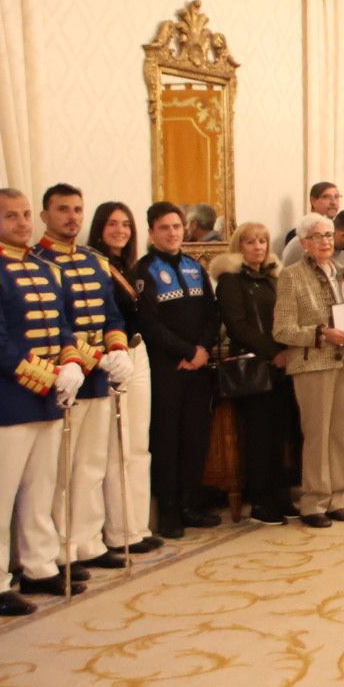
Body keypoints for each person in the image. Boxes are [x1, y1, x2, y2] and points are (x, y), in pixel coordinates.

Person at [0, 189, 88, 615]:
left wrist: (71, 363)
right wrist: (50, 377)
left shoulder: (45, 268)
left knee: (41, 486)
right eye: (11, 216)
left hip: (50, 397)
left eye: (26, 214)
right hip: (9, 396)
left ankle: (38, 564)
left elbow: (63, 325)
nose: (22, 222)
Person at [33, 184, 134, 575]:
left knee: (93, 464)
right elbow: (55, 325)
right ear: (46, 215)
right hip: (65, 373)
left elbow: (111, 315)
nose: (72, 217)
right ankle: (61, 548)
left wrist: (118, 350)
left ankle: (88, 540)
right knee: (62, 469)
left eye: (77, 209)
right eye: (63, 210)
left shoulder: (94, 261)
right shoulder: (40, 261)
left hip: (98, 375)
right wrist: (95, 357)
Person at [133, 201, 221, 538]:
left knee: (196, 438)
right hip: (166, 368)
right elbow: (150, 323)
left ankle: (190, 504)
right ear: (153, 232)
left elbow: (211, 314)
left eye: (176, 227)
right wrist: (184, 351)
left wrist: (202, 349)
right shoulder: (144, 270)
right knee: (166, 440)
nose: (172, 233)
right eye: (164, 228)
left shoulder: (194, 267)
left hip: (198, 367)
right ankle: (169, 511)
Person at [272, 212, 344, 528]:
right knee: (317, 435)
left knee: (340, 434)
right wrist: (322, 333)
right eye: (318, 236)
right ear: (304, 243)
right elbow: (282, 330)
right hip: (313, 363)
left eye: (329, 235)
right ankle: (313, 502)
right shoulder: (291, 276)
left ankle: (337, 498)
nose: (325, 241)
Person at [86, 200, 159, 556]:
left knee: (138, 447)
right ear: (99, 227)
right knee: (118, 447)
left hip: (137, 351)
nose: (120, 230)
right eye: (113, 224)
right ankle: (118, 531)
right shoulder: (94, 265)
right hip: (112, 356)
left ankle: (137, 525)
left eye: (126, 225)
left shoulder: (127, 267)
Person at [212, 223, 293, 523]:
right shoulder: (232, 281)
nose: (258, 247)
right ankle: (261, 501)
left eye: (262, 241)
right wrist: (274, 353)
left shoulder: (273, 277)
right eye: (250, 242)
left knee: (279, 435)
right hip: (256, 366)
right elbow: (239, 326)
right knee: (258, 437)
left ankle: (281, 496)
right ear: (238, 246)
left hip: (282, 367)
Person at [280, 182, 341, 260]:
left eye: (336, 197)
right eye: (326, 197)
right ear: (313, 201)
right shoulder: (300, 233)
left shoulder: (337, 229)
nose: (333, 202)